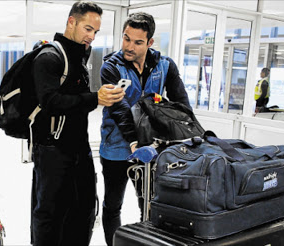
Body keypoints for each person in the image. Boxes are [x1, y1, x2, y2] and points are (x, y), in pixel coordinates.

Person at [30, 2, 125, 245]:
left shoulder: (79, 57)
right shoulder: (49, 56)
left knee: (83, 211)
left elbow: (75, 102)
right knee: (50, 216)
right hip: (52, 151)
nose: (91, 36)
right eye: (87, 28)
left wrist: (98, 97)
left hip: (79, 150)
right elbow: (49, 101)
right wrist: (95, 98)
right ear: (71, 22)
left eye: (95, 32)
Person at [99, 12, 191, 246]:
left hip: (150, 151)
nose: (129, 46)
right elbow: (119, 110)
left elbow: (182, 105)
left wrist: (183, 135)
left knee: (149, 205)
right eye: (126, 38)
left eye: (138, 42)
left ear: (150, 42)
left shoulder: (165, 66)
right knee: (112, 205)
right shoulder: (111, 67)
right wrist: (134, 143)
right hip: (116, 148)